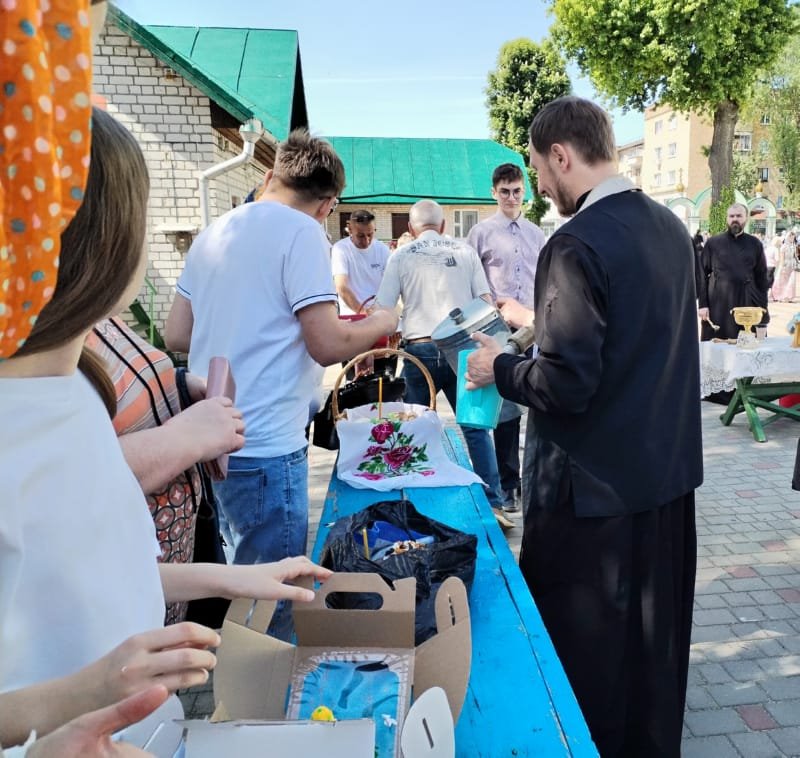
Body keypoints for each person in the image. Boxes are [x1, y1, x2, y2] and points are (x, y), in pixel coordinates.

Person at [0, 108, 332, 754]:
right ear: (108, 243)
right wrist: (82, 698)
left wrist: (237, 578)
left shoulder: (77, 388)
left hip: (155, 732)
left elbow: (111, 569)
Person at [466, 96, 702, 757]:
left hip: (594, 499)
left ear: (561, 156)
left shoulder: (574, 243)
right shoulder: (669, 228)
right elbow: (635, 341)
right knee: (653, 659)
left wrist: (500, 367)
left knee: (588, 667)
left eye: (539, 170)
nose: (539, 186)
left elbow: (566, 384)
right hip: (665, 485)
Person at [165, 131, 398, 588]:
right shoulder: (303, 233)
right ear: (327, 205)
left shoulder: (215, 231)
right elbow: (327, 344)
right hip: (266, 443)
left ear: (270, 175)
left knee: (235, 584)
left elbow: (177, 333)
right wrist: (381, 322)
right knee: (272, 597)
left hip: (208, 437)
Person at [85, 317, 245, 625]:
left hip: (163, 579)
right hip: (123, 599)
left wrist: (177, 387)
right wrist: (185, 436)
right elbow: (66, 479)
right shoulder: (39, 342)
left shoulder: (95, 316)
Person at [373, 200, 506, 519]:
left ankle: (414, 504)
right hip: (462, 348)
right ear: (443, 225)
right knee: (474, 428)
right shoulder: (465, 252)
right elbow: (485, 302)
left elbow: (384, 308)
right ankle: (494, 501)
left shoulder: (401, 255)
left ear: (410, 228)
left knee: (415, 429)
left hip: (419, 350)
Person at [467, 163, 546, 515]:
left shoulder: (537, 234)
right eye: (505, 192)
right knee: (506, 410)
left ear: (523, 192)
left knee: (540, 397)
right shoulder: (481, 233)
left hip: (533, 326)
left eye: (516, 191)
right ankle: (509, 483)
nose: (511, 198)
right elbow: (472, 280)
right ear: (493, 193)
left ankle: (539, 477)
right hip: (497, 328)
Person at [697, 203, 770, 340]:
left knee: (747, 343)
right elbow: (702, 275)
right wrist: (703, 305)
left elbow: (761, 278)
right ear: (727, 218)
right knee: (717, 344)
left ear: (746, 218)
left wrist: (763, 308)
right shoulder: (713, 243)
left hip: (747, 301)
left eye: (739, 216)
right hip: (718, 303)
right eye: (731, 216)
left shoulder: (755, 244)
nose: (735, 219)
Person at [331, 209, 391, 315]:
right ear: (350, 229)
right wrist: (363, 313)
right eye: (360, 236)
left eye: (370, 234)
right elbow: (341, 286)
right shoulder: (340, 249)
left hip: (378, 312)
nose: (366, 240)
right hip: (352, 314)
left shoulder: (383, 249)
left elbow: (390, 284)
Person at [772, 231, 798, 302]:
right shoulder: (783, 247)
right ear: (788, 237)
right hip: (785, 265)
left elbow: (795, 256)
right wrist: (782, 267)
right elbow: (782, 258)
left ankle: (789, 297)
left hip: (792, 265)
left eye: (793, 237)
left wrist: (796, 263)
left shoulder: (794, 246)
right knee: (782, 282)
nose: (792, 239)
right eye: (791, 237)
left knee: (791, 281)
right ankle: (780, 296)